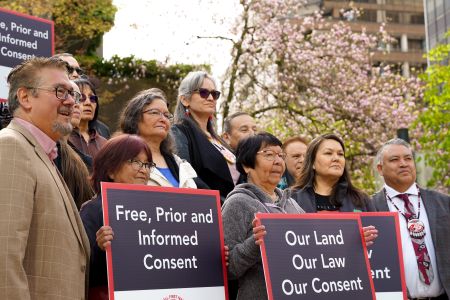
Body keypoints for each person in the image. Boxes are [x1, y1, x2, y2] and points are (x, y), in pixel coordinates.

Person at [0, 57, 90, 299]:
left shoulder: (43, 154)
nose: (71, 101)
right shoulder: (11, 147)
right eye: (61, 91)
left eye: (74, 94)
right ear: (25, 97)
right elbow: (3, 258)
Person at [222, 132, 305, 299]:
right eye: (268, 154)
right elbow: (228, 271)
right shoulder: (237, 203)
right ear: (246, 165)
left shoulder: (293, 205)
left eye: (281, 155)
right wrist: (254, 244)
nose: (278, 161)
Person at [373, 138, 449, 299]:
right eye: (394, 160)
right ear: (380, 169)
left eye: (408, 158)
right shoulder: (368, 208)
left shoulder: (443, 203)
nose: (403, 164)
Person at [80, 134, 154, 299]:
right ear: (111, 170)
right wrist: (100, 249)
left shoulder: (156, 212)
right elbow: (80, 269)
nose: (144, 169)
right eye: (135, 162)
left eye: (147, 164)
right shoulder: (93, 210)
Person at [171, 71, 239, 201]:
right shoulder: (179, 132)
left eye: (215, 94)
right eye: (203, 92)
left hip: (237, 208)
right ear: (185, 100)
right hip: (209, 208)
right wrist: (221, 202)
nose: (210, 98)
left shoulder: (218, 140)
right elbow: (186, 175)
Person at [120, 88, 205, 188]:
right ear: (134, 118)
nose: (163, 119)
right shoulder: (122, 159)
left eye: (166, 115)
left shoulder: (179, 163)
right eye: (154, 112)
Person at [292, 133, 376, 213]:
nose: (336, 158)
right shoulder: (292, 199)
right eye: (328, 153)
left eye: (340, 154)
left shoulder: (361, 200)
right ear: (312, 163)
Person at [54, 81, 94, 209]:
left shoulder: (88, 163)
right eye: (66, 95)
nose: (75, 104)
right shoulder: (43, 152)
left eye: (77, 98)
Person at [53, 52, 111, 139]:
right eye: (68, 69)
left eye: (78, 71)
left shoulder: (102, 131)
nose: (76, 74)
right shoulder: (50, 123)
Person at [69, 78, 107, 158]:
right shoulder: (62, 139)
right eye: (81, 97)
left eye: (92, 98)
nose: (88, 103)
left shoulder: (104, 143)